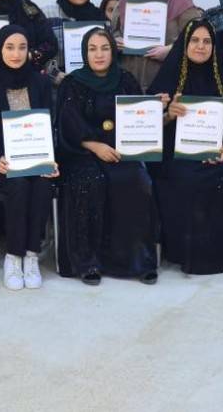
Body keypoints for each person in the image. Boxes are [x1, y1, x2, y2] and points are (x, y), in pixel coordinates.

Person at [55, 28, 159, 285]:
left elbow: (139, 119)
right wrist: (94, 145)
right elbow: (68, 123)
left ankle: (138, 261)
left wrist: (156, 110)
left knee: (136, 181)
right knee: (89, 181)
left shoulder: (126, 80)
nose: (99, 54)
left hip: (121, 151)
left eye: (105, 48)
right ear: (84, 53)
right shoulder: (72, 82)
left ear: (113, 51)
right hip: (82, 152)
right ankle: (88, 262)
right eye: (92, 49)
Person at [147, 18, 223, 275]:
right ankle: (186, 251)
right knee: (189, 178)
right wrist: (168, 114)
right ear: (184, 44)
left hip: (214, 152)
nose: (201, 46)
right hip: (173, 153)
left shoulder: (220, 79)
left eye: (207, 41)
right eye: (194, 40)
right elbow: (145, 127)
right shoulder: (168, 77)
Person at [0, 25, 58, 290]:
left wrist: (50, 158)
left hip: (36, 157)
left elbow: (50, 125)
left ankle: (31, 256)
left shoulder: (41, 83)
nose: (16, 54)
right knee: (18, 184)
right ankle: (13, 256)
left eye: (22, 47)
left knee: (42, 183)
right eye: (9, 47)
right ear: (0, 49)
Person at [111, 0, 202, 89]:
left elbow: (197, 36)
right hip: (129, 80)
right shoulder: (126, 0)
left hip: (169, 79)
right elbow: (112, 33)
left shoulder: (182, 2)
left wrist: (171, 50)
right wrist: (116, 41)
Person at [42, 0, 108, 82]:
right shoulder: (48, 14)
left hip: (93, 84)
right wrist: (55, 75)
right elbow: (40, 52)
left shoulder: (99, 16)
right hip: (57, 86)